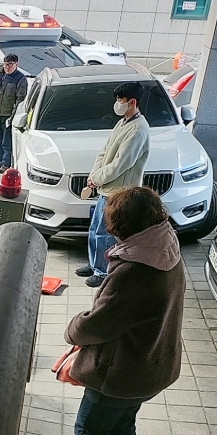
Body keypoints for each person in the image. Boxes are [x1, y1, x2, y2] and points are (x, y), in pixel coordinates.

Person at [65, 186, 185, 435]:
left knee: (87, 434)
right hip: (151, 368)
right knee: (121, 428)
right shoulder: (165, 245)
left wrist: (72, 328)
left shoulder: (133, 272)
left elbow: (95, 326)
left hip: (119, 377)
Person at [76, 82, 150, 288]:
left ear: (132, 102)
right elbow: (104, 151)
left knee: (106, 233)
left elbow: (120, 164)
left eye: (120, 100)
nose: (117, 104)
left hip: (118, 192)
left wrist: (96, 179)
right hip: (106, 188)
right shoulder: (123, 122)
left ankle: (102, 271)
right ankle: (94, 263)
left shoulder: (138, 130)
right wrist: (94, 175)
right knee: (95, 229)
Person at [0, 53, 27, 174]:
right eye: (5, 64)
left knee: (6, 142)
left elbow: (20, 100)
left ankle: (6, 163)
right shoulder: (2, 76)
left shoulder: (20, 79)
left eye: (10, 64)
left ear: (16, 64)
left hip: (9, 115)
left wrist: (12, 117)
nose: (7, 67)